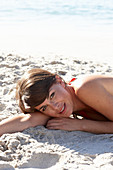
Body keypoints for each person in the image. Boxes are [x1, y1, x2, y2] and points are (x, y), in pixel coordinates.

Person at [0, 68, 113, 136]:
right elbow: (28, 120)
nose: (55, 107)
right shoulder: (62, 107)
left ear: (59, 80)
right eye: (44, 107)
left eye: (52, 95)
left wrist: (80, 125)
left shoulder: (85, 88)